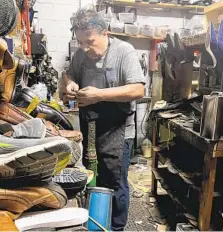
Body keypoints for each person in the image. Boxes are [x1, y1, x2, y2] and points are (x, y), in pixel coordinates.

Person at [62, 8, 145, 231]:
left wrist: (98, 95)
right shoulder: (81, 55)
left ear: (105, 33)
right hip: (90, 126)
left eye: (89, 41)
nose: (84, 48)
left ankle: (116, 227)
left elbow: (138, 89)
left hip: (117, 129)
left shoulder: (124, 52)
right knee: (89, 175)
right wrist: (69, 83)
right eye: (80, 42)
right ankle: (94, 221)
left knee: (115, 181)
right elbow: (68, 73)